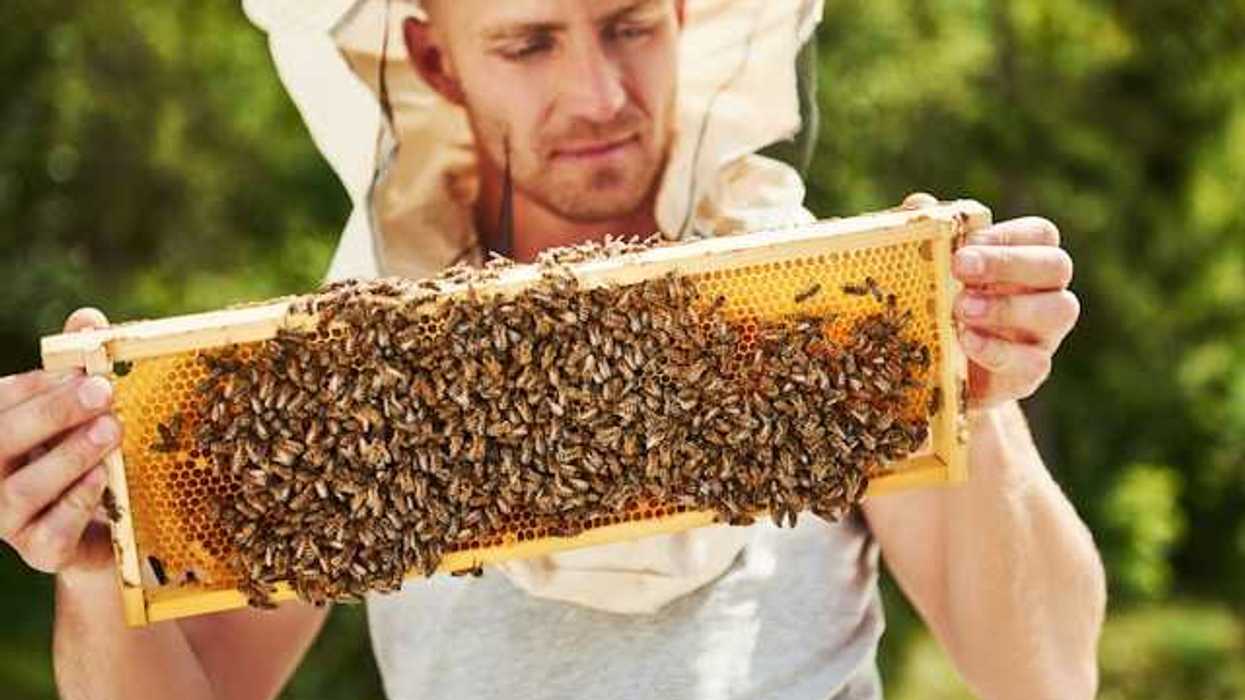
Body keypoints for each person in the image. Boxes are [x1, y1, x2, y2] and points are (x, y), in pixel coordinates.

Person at [0, 1, 1105, 698]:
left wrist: (973, 390)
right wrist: (102, 565)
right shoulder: (350, 373)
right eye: (529, 42)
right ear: (435, 58)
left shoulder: (823, 312)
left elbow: (1045, 676)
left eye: (630, 25)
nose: (599, 95)